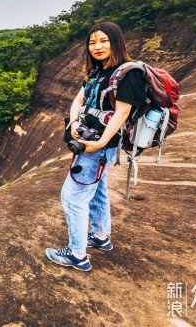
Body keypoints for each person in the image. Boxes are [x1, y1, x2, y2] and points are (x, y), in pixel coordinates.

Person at [46, 21, 145, 271]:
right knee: (97, 191)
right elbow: (78, 100)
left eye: (103, 41)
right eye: (92, 43)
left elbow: (122, 113)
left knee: (73, 196)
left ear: (116, 42)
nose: (97, 47)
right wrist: (75, 123)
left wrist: (99, 142)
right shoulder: (97, 71)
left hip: (99, 146)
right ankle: (100, 237)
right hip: (90, 141)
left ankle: (77, 254)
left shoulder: (128, 73)